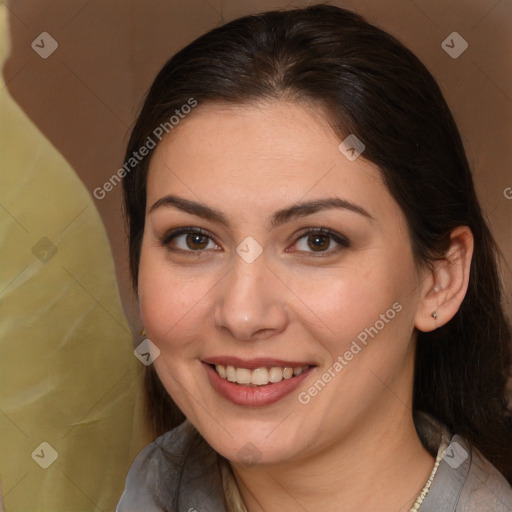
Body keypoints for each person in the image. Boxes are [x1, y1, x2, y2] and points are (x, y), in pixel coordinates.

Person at [117, 4, 512, 511]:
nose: (242, 314)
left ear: (441, 278)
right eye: (194, 239)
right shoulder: (150, 487)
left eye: (317, 241)